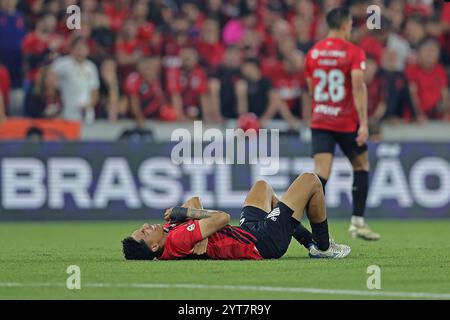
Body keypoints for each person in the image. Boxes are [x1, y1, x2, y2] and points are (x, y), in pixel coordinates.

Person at [122, 173, 351, 261]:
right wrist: (191, 217)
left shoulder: (168, 234)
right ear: (153, 247)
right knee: (310, 181)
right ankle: (322, 247)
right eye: (143, 232)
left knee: (263, 187)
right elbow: (222, 217)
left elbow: (193, 200)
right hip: (261, 244)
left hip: (247, 232)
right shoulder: (177, 240)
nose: (145, 226)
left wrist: (201, 232)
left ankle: (307, 241)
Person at [304, 7, 380, 240]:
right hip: (346, 122)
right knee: (361, 165)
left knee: (321, 175)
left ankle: (319, 232)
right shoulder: (353, 52)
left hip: (321, 119)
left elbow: (311, 89)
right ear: (346, 25)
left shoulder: (313, 53)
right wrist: (364, 123)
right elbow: (358, 87)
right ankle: (357, 223)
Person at [51, 36, 100, 122]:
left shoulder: (91, 67)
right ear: (72, 49)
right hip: (67, 114)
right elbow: (50, 80)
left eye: (83, 49)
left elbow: (95, 92)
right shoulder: (62, 64)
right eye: (78, 49)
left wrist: (89, 105)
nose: (81, 52)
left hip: (86, 115)